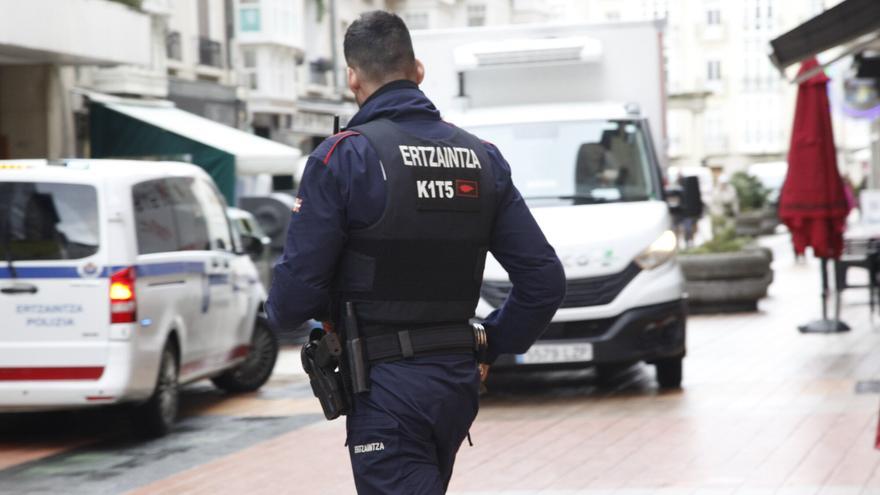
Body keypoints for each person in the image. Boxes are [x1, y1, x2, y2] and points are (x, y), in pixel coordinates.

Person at [267, 11, 565, 494]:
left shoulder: (344, 158)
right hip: (454, 386)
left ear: (352, 77)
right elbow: (544, 281)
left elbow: (290, 304)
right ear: (418, 70)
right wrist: (492, 341)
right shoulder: (481, 157)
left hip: (385, 390)